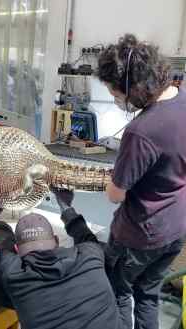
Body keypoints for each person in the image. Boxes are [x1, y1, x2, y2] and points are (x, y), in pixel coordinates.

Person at [96, 33, 186, 329]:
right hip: (176, 228)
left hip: (141, 235)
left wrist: (113, 179)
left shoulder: (141, 130)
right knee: (148, 295)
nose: (116, 100)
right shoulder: (182, 97)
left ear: (132, 88)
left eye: (115, 94)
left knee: (118, 292)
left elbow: (116, 194)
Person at [0, 189, 122, 329]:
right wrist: (65, 206)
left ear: (18, 249)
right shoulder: (90, 255)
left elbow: (4, 242)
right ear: (56, 240)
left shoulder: (14, 274)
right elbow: (84, 234)